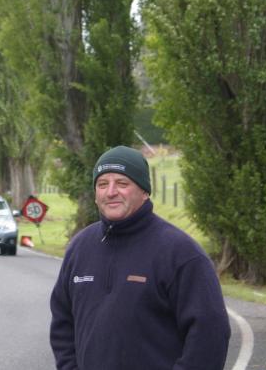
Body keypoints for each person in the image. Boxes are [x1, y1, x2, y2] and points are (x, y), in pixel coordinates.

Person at [50, 145, 231, 370]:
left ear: (144, 191)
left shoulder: (181, 253)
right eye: (102, 184)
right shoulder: (80, 248)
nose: (111, 191)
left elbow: (209, 333)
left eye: (122, 183)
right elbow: (62, 324)